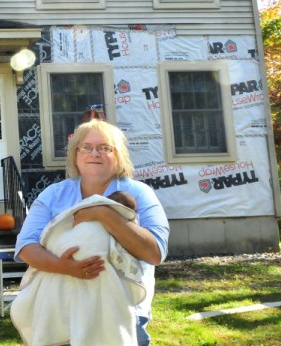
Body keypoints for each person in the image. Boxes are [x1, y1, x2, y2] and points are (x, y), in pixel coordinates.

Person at [13, 119, 169, 346]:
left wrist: (102, 213)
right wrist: (64, 267)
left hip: (122, 311)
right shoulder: (53, 195)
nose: (94, 153)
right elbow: (26, 245)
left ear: (118, 156)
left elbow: (155, 252)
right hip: (61, 311)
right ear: (75, 155)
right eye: (86, 147)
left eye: (105, 148)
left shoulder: (140, 193)